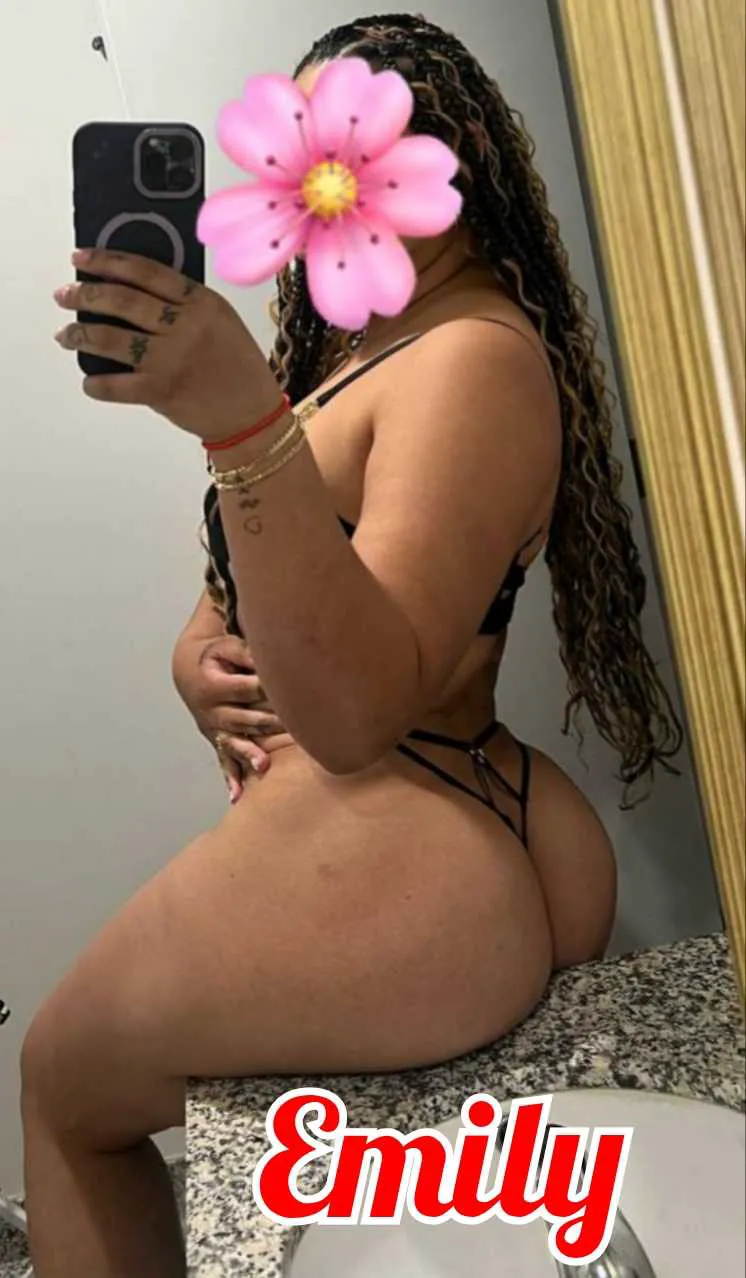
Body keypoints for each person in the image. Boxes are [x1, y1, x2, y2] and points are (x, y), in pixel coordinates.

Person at [24, 13, 682, 1277]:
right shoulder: (384, 346)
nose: (325, 180)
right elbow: (314, 580)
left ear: (453, 148)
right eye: (302, 156)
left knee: (58, 1084)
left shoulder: (468, 355)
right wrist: (197, 655)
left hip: (403, 831)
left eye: (360, 144)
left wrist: (238, 424)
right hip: (445, 814)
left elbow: (355, 710)